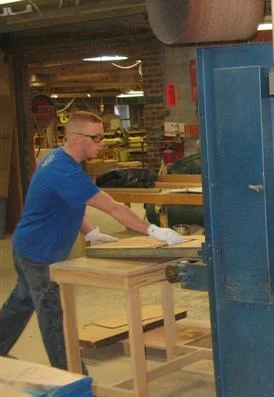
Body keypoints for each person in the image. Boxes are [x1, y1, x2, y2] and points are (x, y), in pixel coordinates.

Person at [0, 111, 184, 371]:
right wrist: (153, 230)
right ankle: (75, 380)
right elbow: (114, 208)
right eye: (96, 137)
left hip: (28, 246)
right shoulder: (63, 171)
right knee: (53, 317)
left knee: (21, 302)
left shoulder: (59, 159)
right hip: (39, 254)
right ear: (76, 138)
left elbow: (67, 204)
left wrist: (88, 231)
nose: (101, 143)